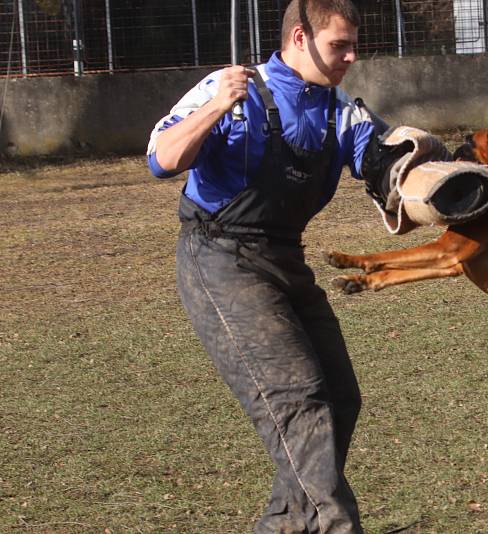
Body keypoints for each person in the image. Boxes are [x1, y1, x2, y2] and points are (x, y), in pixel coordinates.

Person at [146, 1, 398, 532]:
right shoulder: (232, 90)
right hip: (218, 257)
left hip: (285, 257)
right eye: (339, 45)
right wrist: (216, 107)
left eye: (354, 45)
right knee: (298, 400)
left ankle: (281, 526)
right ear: (300, 37)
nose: (352, 57)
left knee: (340, 397)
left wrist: (444, 174)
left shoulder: (341, 111)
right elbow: (162, 160)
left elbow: (388, 163)